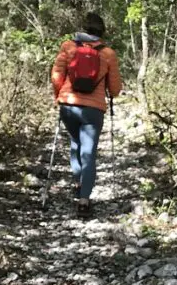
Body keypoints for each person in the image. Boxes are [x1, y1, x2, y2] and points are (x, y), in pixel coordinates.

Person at [51, 12, 123, 218]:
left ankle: (78, 182)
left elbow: (57, 76)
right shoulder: (108, 53)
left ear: (83, 28)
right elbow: (115, 88)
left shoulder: (68, 47)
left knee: (75, 143)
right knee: (89, 152)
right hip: (93, 110)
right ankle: (84, 200)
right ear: (102, 32)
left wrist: (59, 95)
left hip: (68, 105)